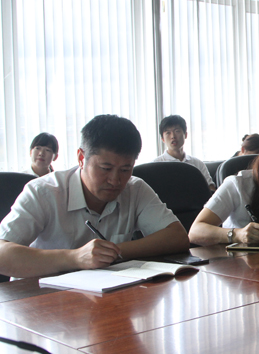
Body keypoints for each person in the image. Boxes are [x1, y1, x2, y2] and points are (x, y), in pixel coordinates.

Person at [0, 114, 190, 278]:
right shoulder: (44, 192)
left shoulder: (135, 188)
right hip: (41, 298)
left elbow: (177, 237)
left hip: (109, 295)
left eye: (125, 169)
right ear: (81, 158)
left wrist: (113, 251)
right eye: (105, 168)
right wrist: (74, 258)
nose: (115, 180)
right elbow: (2, 254)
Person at [154, 115, 216, 191]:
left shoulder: (197, 163)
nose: (173, 136)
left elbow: (211, 189)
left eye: (177, 131)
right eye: (168, 133)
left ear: (185, 135)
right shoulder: (155, 165)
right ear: (162, 139)